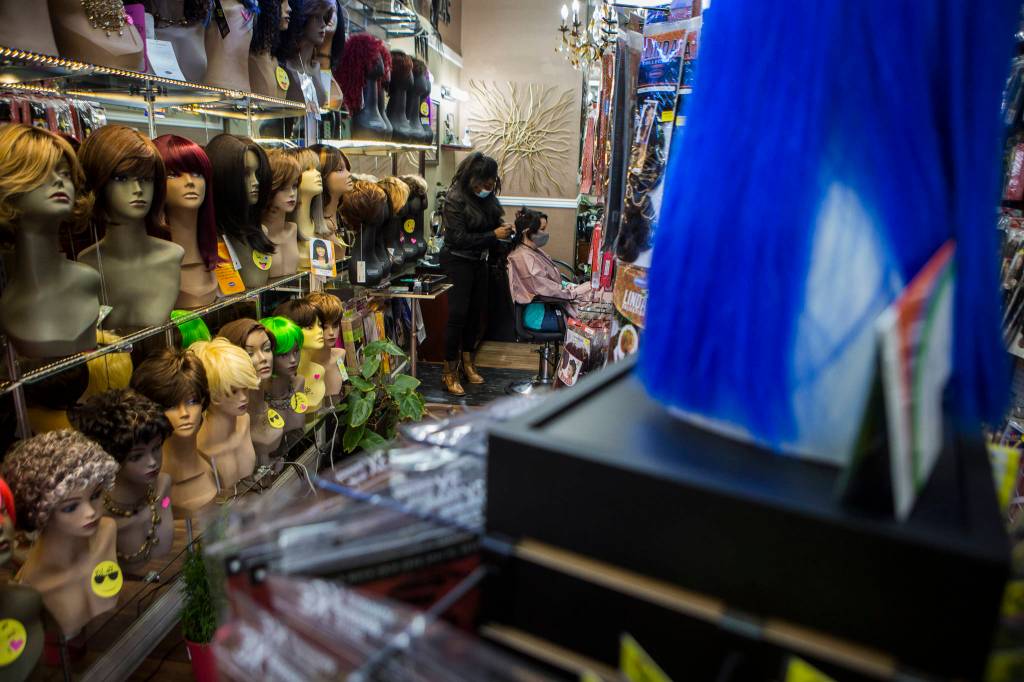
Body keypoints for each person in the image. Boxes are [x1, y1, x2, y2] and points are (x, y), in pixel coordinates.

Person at [439, 153, 514, 396]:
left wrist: (505, 235)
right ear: (471, 177)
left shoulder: (488, 198)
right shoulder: (455, 199)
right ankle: (449, 371)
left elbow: (492, 227)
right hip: (457, 262)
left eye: (490, 184)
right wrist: (493, 235)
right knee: (457, 316)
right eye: (482, 184)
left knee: (474, 315)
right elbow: (457, 238)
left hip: (479, 263)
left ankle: (468, 364)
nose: (485, 189)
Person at [507, 208, 608, 332]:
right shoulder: (523, 257)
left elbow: (549, 281)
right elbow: (544, 288)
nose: (546, 233)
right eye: (542, 229)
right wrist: (574, 292)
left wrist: (571, 286)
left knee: (596, 304)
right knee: (597, 319)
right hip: (539, 315)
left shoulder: (532, 250)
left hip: (550, 304)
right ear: (527, 232)